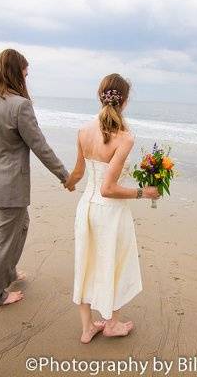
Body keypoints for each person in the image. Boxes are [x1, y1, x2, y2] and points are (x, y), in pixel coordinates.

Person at [0, 48, 73, 308]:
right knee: (5, 239)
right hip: (10, 185)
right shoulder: (20, 106)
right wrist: (65, 176)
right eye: (25, 73)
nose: (26, 78)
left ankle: (8, 273)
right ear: (14, 73)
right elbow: (39, 146)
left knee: (20, 225)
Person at [64, 73, 160, 343]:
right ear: (125, 101)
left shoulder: (83, 131)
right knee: (113, 263)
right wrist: (144, 192)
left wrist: (68, 182)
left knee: (85, 261)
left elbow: (78, 172)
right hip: (110, 213)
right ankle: (112, 324)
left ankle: (87, 329)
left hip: (86, 209)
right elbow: (109, 188)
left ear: (100, 95)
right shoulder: (124, 138)